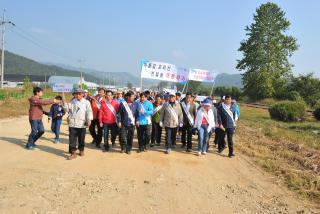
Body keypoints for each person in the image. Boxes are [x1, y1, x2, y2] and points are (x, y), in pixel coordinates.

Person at [63, 88, 93, 160]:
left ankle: (81, 150)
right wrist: (64, 103)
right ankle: (73, 152)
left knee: (81, 138)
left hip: (82, 123)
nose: (78, 95)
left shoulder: (86, 102)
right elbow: (67, 109)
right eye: (77, 94)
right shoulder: (73, 102)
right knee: (72, 139)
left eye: (80, 94)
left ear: (83, 94)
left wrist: (89, 119)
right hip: (73, 123)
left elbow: (89, 111)